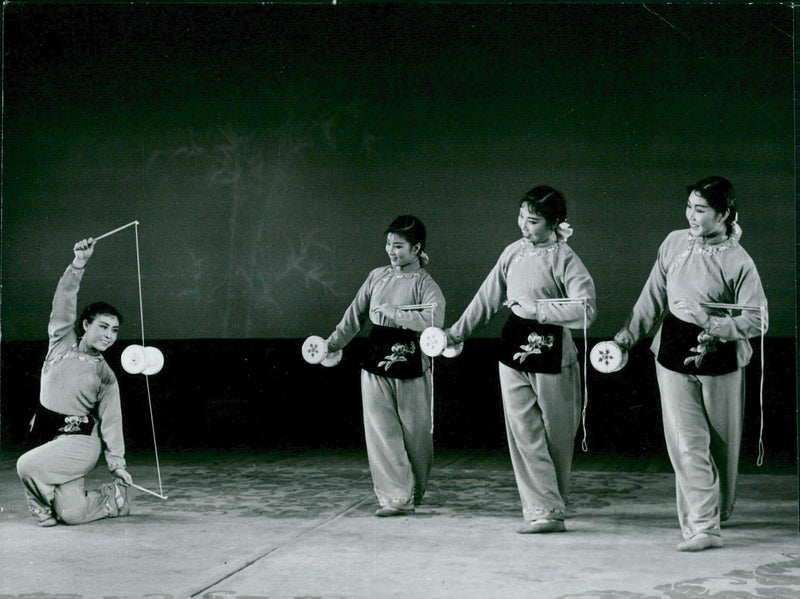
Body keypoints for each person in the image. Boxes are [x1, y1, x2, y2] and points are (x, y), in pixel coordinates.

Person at [613, 176, 768, 552]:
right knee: (687, 441)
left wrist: (710, 321)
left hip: (722, 358)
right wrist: (627, 337)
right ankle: (702, 525)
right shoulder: (673, 243)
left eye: (700, 210)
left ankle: (718, 511)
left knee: (721, 444)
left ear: (725, 213)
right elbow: (652, 296)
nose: (691, 216)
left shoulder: (738, 260)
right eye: (689, 208)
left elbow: (759, 320)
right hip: (671, 355)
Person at [444, 186, 597, 533]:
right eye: (521, 218)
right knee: (524, 432)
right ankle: (542, 509)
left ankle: (552, 504)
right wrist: (456, 332)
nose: (524, 226)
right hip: (513, 350)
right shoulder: (512, 252)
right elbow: (487, 298)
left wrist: (537, 310)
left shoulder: (565, 258)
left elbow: (587, 309)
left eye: (533, 221)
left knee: (556, 434)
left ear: (554, 222)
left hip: (554, 351)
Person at [323, 215, 445, 517]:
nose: (392, 251)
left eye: (399, 246)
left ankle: (414, 490)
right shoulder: (376, 276)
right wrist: (332, 343)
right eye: (389, 244)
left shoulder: (426, 284)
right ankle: (395, 497)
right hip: (375, 361)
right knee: (381, 432)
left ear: (417, 249)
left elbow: (435, 322)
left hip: (412, 363)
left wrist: (397, 314)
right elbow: (354, 316)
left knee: (416, 434)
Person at [16, 238, 133, 526]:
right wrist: (78, 264)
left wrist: (117, 464)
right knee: (72, 514)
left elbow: (112, 421)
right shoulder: (60, 344)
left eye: (115, 331)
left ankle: (40, 510)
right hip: (49, 437)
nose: (109, 335)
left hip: (80, 443)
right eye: (103, 327)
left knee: (27, 465)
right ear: (85, 325)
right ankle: (112, 499)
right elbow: (63, 304)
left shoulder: (105, 374)